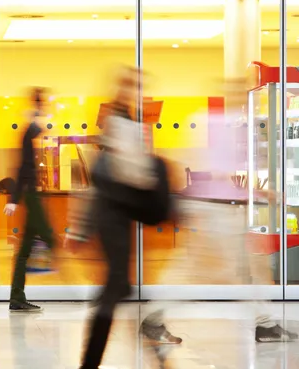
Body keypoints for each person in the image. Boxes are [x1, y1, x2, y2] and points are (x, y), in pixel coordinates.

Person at [140, 78, 298, 344]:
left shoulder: (212, 122)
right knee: (228, 270)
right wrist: (262, 193)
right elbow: (220, 176)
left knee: (226, 269)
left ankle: (265, 325)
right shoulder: (221, 125)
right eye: (237, 91)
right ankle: (265, 325)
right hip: (216, 211)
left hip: (211, 207)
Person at [77, 66, 172, 369]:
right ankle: (92, 361)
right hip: (112, 218)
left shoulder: (123, 120)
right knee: (115, 288)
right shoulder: (119, 121)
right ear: (125, 89)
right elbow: (120, 174)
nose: (139, 92)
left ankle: (147, 340)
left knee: (121, 287)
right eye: (135, 86)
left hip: (118, 217)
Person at [3, 87, 55, 312]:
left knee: (24, 250)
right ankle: (81, 289)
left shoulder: (32, 132)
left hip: (32, 195)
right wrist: (14, 199)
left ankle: (17, 297)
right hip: (31, 196)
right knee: (51, 241)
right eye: (41, 106)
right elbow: (23, 167)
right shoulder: (29, 132)